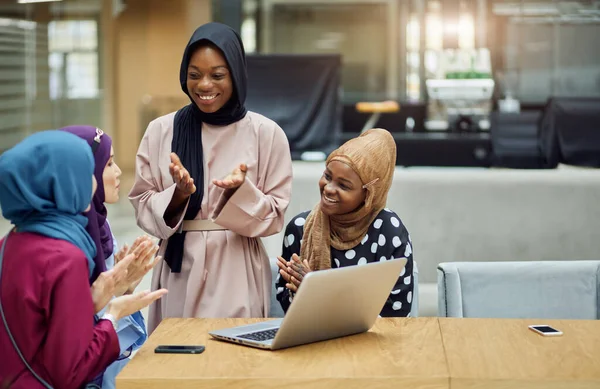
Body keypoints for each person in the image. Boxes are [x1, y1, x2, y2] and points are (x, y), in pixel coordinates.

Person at [128, 22, 292, 332]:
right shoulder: (161, 131)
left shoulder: (266, 134)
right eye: (194, 74)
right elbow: (142, 200)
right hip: (179, 267)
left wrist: (239, 193)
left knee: (234, 356)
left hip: (236, 263)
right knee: (178, 354)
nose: (204, 85)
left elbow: (274, 216)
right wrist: (177, 196)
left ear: (236, 75)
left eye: (217, 75)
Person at [0, 130, 167, 389]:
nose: (93, 182)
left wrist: (91, 304)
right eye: (86, 172)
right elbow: (71, 371)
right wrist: (113, 315)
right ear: (61, 182)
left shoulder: (8, 243)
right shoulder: (66, 257)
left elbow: (33, 330)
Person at [61, 125, 160, 389]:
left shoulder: (99, 226)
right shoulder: (64, 239)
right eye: (108, 164)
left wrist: (125, 285)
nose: (118, 173)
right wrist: (112, 304)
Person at [276, 129, 414, 317]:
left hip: (372, 344)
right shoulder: (300, 227)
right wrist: (301, 292)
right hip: (312, 339)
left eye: (344, 185)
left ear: (369, 194)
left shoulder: (388, 230)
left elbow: (397, 310)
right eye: (327, 176)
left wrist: (318, 290)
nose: (329, 189)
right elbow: (285, 300)